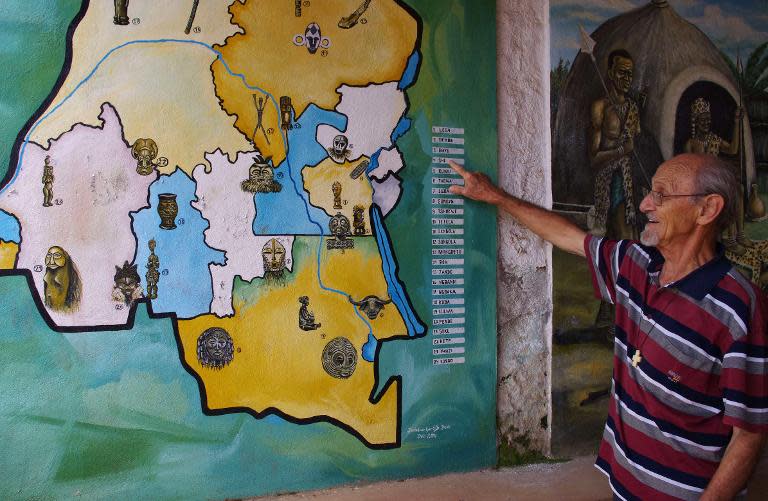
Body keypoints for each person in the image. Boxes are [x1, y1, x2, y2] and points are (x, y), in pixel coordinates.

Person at [448, 153, 767, 500]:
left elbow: (748, 435)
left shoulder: (738, 310)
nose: (645, 204)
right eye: (649, 192)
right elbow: (568, 237)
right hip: (623, 485)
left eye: (662, 195)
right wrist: (495, 196)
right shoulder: (635, 263)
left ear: (707, 209)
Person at [589, 49, 641, 239]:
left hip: (629, 177)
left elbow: (635, 147)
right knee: (624, 237)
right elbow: (593, 159)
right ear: (611, 73)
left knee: (634, 236)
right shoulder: (600, 108)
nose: (627, 78)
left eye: (630, 74)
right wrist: (620, 151)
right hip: (609, 177)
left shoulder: (632, 109)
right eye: (622, 72)